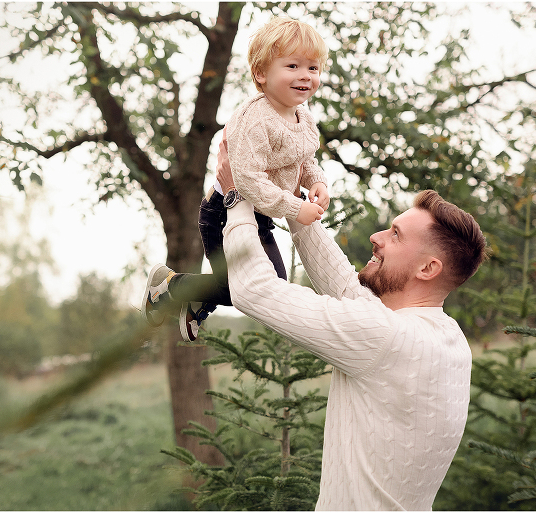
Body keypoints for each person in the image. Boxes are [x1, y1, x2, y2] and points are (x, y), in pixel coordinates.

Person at [144, 130, 489, 508]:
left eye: (394, 234)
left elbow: (254, 290)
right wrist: (291, 200)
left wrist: (237, 196)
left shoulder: (386, 337)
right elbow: (342, 281)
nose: (377, 236)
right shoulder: (445, 338)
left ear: (427, 268)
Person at [141, 16, 330, 341]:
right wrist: (294, 208)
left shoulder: (303, 117)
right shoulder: (255, 119)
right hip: (226, 213)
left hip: (261, 216)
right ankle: (171, 286)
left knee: (271, 289)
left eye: (313, 68)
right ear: (261, 73)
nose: (305, 76)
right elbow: (247, 180)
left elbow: (305, 157)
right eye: (293, 66)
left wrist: (317, 181)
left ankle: (196, 297)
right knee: (247, 288)